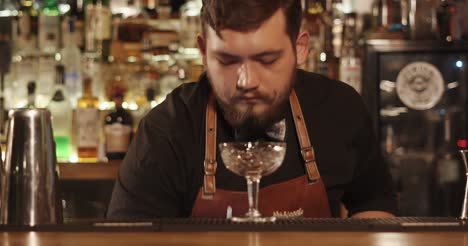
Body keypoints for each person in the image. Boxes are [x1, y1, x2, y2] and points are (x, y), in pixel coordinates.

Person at [107, 0, 398, 219]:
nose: (247, 81)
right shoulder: (166, 131)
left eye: (267, 60)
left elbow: (375, 206)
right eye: (227, 61)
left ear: (300, 48)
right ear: (204, 52)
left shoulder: (338, 108)